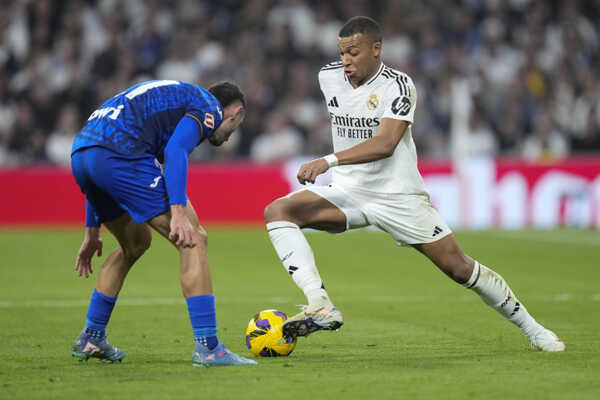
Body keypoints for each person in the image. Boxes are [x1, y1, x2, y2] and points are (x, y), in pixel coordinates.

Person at [264, 17, 565, 352]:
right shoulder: (328, 77)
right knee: (278, 211)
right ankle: (319, 303)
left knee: (459, 267)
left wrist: (328, 160)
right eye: (342, 52)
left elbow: (385, 143)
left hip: (397, 195)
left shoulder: (398, 85)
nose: (346, 59)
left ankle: (534, 329)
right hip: (348, 190)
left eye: (353, 51)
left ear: (376, 49)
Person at [70, 80, 257, 366]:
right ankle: (209, 347)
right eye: (236, 126)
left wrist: (91, 231)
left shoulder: (169, 101)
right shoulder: (209, 107)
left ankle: (92, 336)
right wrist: (178, 214)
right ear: (236, 112)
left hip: (82, 152)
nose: (230, 137)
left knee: (135, 244)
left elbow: (97, 165)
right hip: (120, 153)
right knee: (192, 238)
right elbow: (175, 152)